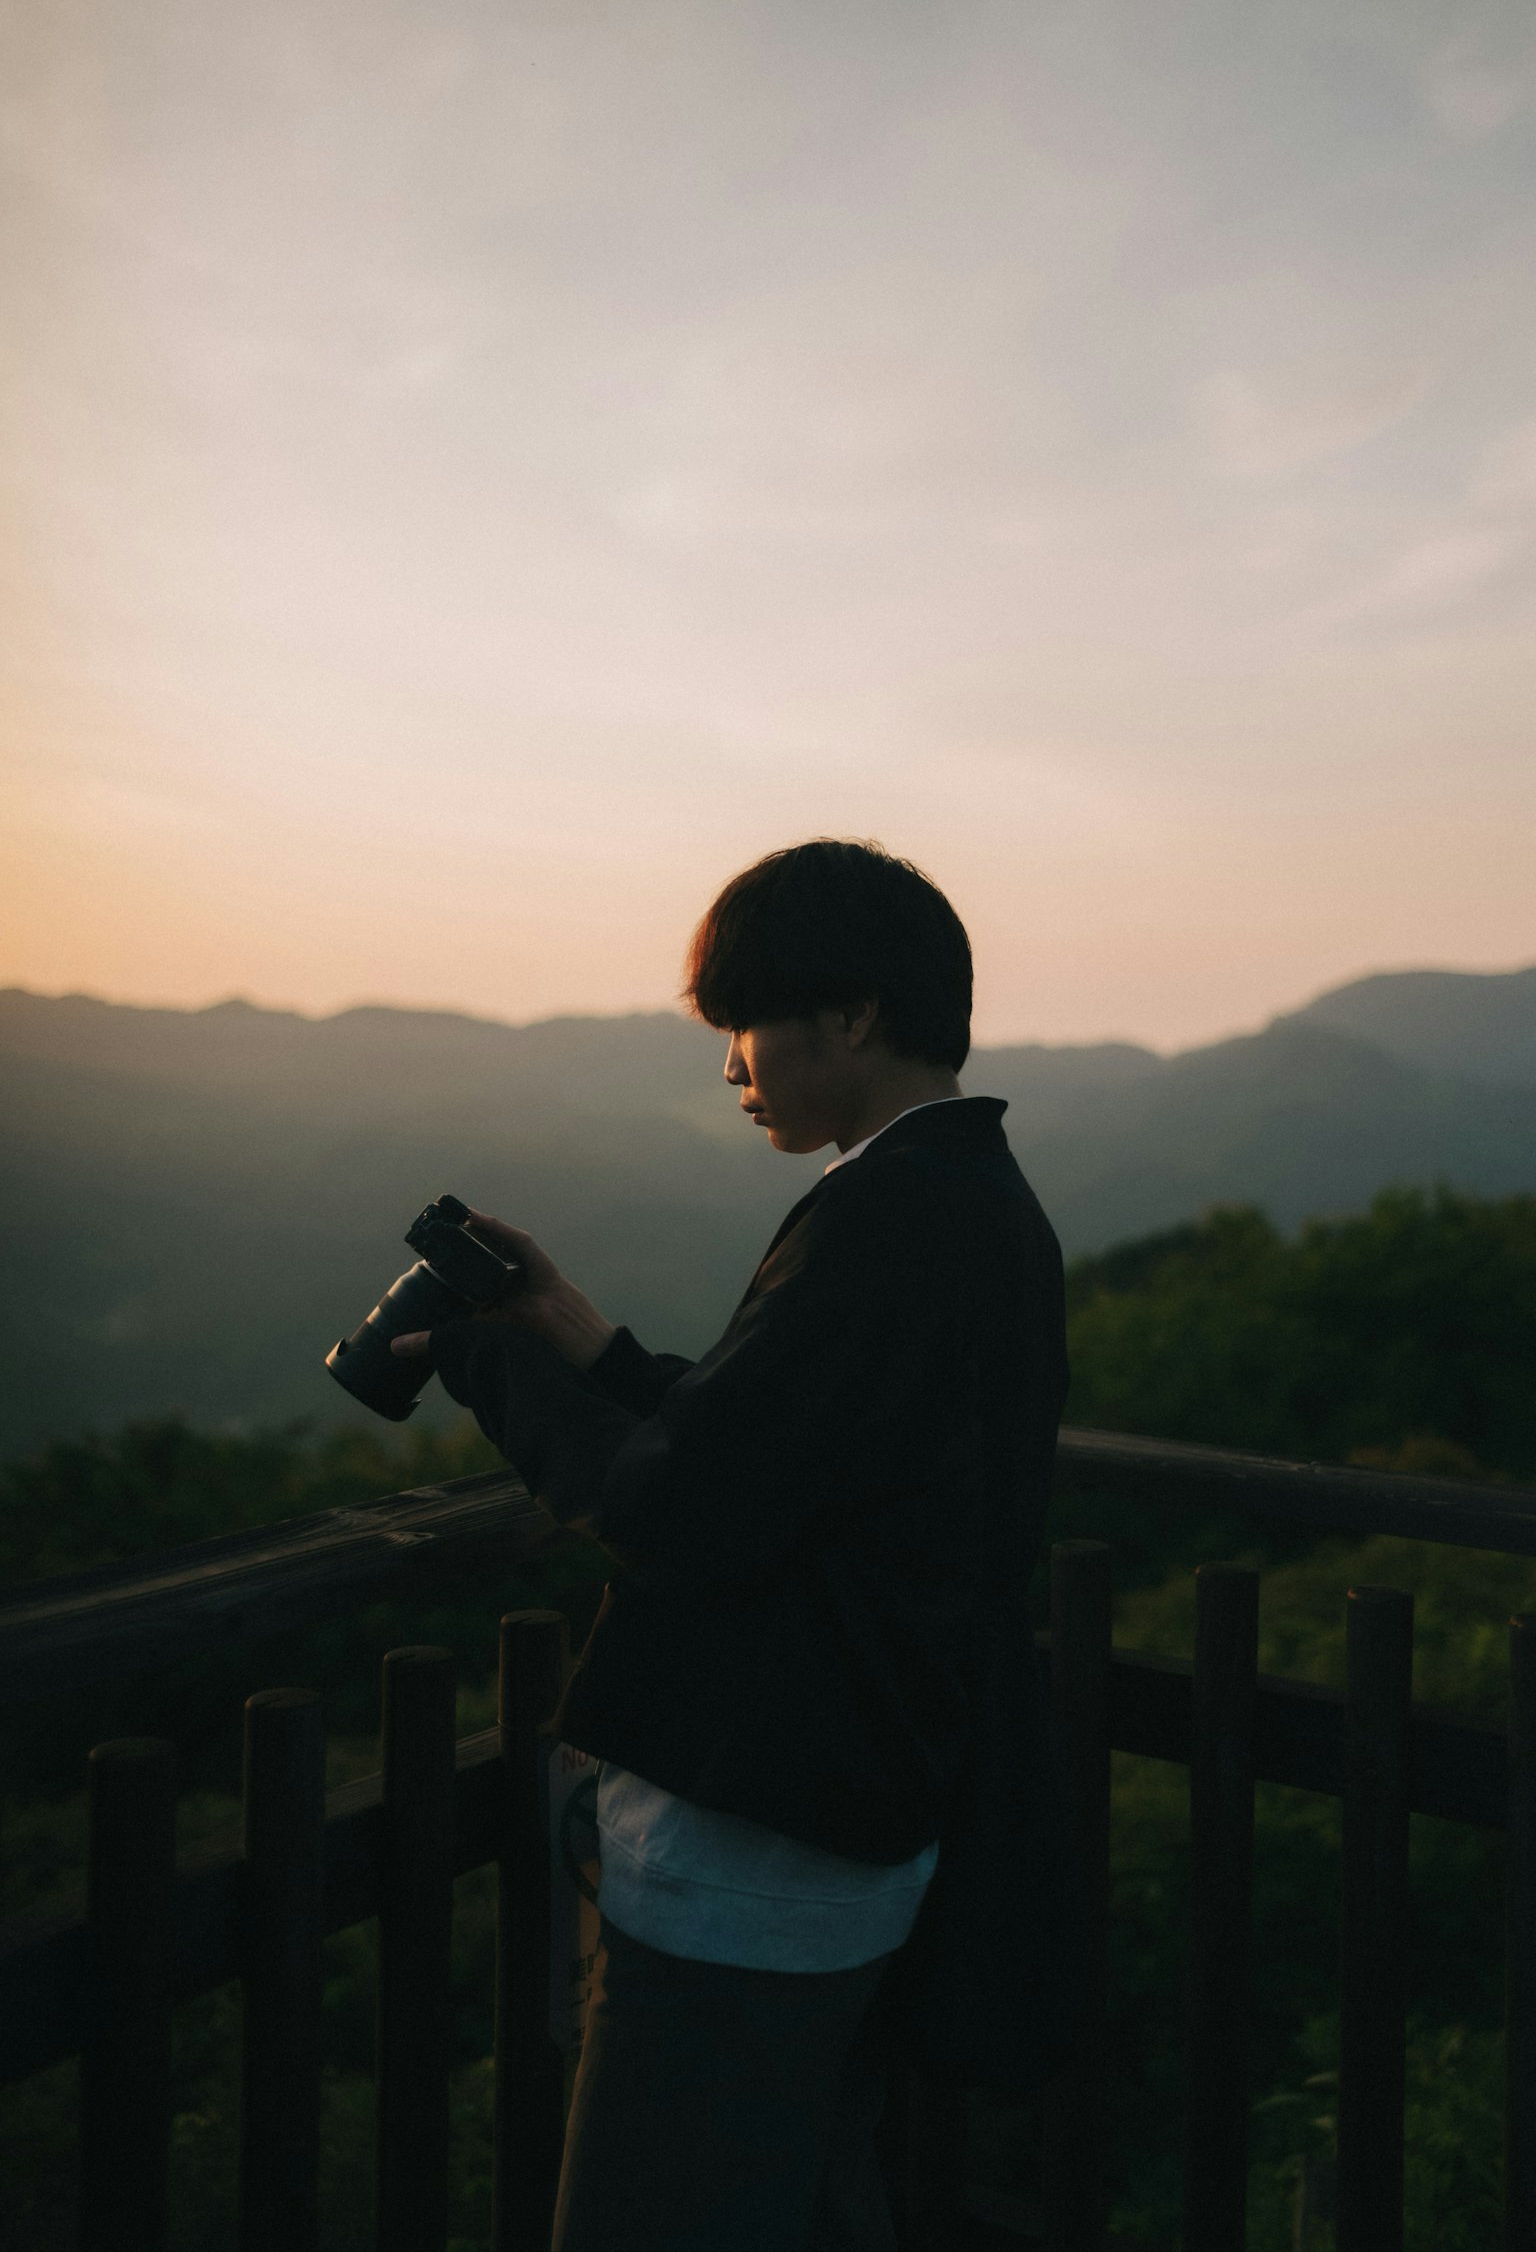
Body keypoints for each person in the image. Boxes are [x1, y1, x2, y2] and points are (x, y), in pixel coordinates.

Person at [398, 839, 1071, 2251]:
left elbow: (684, 1510)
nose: (732, 1067)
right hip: (856, 1822)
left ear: (852, 1017)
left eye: (747, 1027)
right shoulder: (974, 1200)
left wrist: (482, 1359)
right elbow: (779, 1448)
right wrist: (578, 1331)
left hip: (760, 1858)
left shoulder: (885, 1219)